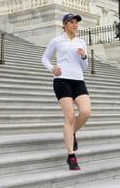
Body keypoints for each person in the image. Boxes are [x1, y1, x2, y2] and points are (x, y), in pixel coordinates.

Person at [42, 13, 91, 171]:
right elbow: (45, 58)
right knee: (69, 117)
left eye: (76, 22)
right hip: (62, 80)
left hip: (78, 80)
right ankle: (71, 156)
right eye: (71, 22)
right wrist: (52, 68)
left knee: (85, 112)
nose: (75, 25)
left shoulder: (81, 42)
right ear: (64, 24)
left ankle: (72, 133)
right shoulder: (57, 40)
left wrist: (84, 57)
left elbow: (85, 67)